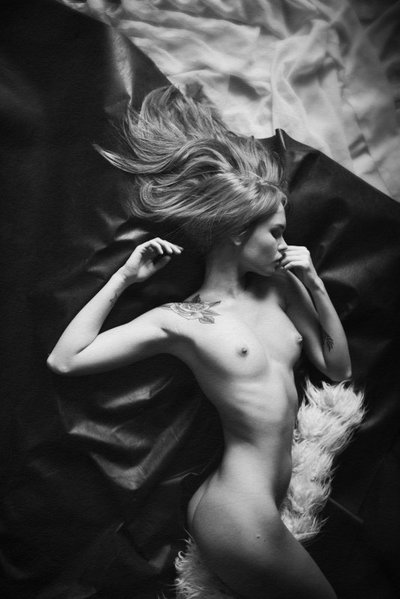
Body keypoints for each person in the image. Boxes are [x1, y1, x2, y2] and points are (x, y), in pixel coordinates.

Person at [47, 86, 351, 599]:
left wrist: (316, 284)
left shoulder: (281, 286)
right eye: (276, 233)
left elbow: (338, 368)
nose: (285, 245)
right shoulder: (184, 320)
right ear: (237, 232)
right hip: (237, 511)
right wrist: (123, 278)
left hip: (261, 502)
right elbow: (65, 359)